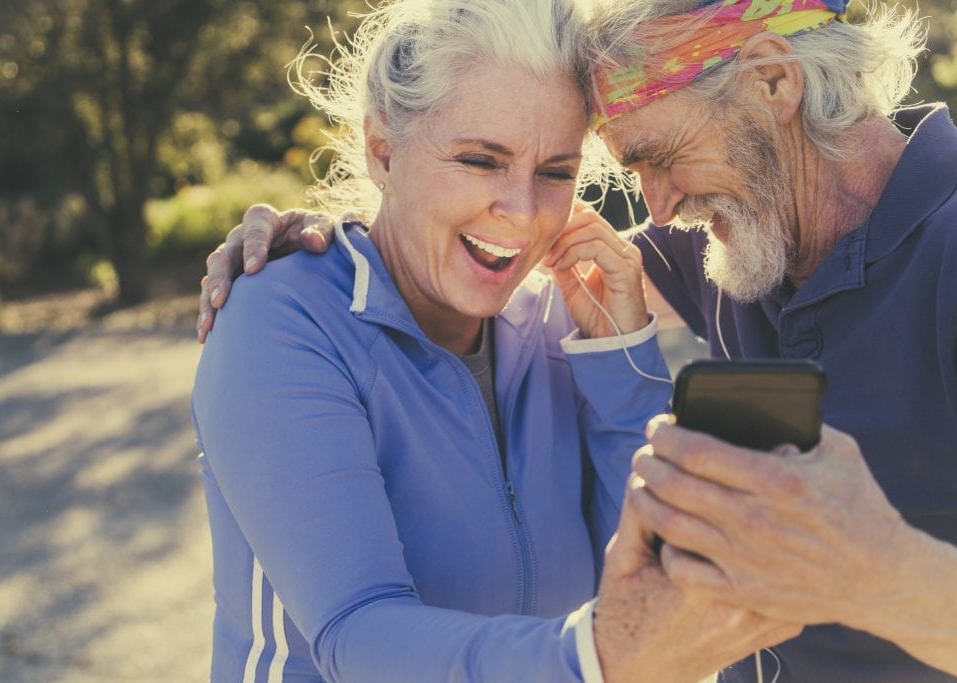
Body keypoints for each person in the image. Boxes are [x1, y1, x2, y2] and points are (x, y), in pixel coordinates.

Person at [197, 0, 957, 680]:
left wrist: (876, 570)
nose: (656, 213)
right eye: (479, 158)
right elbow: (479, 247)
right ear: (382, 149)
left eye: (657, 157)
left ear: (772, 81)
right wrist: (304, 253)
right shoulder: (742, 234)